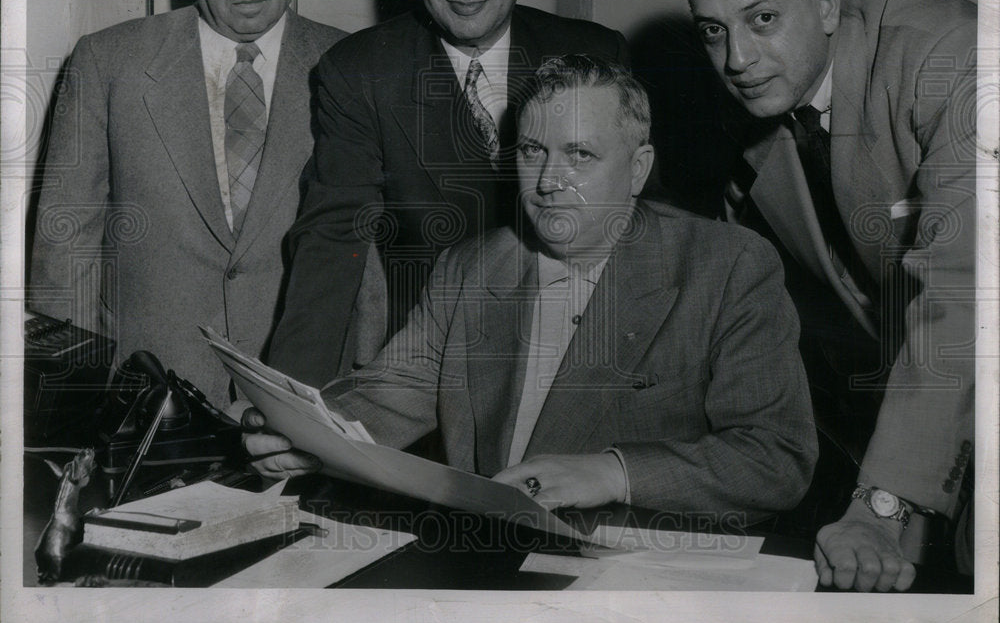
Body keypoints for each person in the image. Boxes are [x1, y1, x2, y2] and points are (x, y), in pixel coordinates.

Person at [244, 55, 817, 520]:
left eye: (580, 155)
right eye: (533, 151)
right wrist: (305, 435)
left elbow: (776, 459)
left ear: (639, 169)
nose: (547, 182)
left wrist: (612, 471)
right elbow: (390, 395)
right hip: (492, 558)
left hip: (643, 576)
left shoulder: (727, 267)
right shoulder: (471, 267)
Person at [685, 0, 975, 590]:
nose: (736, 59)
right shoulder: (749, 119)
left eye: (762, 19)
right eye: (712, 31)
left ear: (822, 5)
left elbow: (963, 290)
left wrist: (886, 502)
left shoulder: (953, 58)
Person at [266, 0, 629, 388]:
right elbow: (332, 236)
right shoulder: (362, 70)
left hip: (578, 363)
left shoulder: (594, 55)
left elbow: (640, 225)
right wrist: (291, 398)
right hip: (433, 368)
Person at [29, 0, 346, 407]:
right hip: (144, 396)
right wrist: (78, 397)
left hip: (307, 397)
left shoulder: (351, 66)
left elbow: (375, 251)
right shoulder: (108, 62)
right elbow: (66, 246)